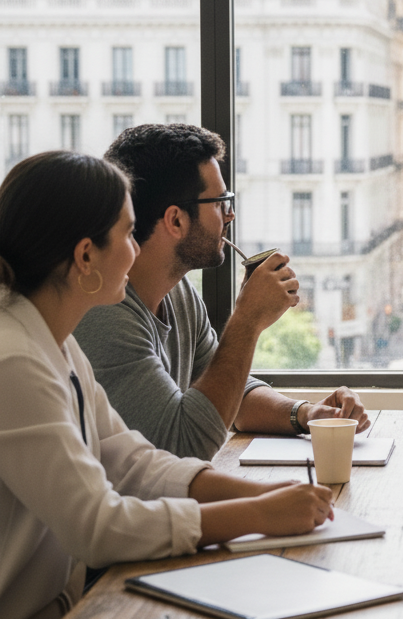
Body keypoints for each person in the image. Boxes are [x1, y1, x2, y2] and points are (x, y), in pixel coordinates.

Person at [0, 151, 334, 619]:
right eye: (126, 234)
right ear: (85, 256)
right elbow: (97, 526)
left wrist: (261, 493)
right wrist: (256, 517)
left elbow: (131, 461)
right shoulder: (14, 361)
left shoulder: (56, 345)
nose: (136, 249)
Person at [75, 124, 368, 462]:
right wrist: (246, 320)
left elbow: (230, 396)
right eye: (221, 203)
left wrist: (306, 414)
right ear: (175, 220)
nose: (230, 215)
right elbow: (184, 444)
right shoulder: (105, 314)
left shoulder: (178, 290)